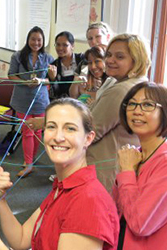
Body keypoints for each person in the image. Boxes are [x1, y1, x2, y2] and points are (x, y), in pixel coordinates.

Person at [0, 98, 119, 250]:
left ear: (88, 138)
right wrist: (0, 199)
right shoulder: (64, 187)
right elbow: (21, 240)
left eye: (70, 129)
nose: (58, 137)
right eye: (51, 127)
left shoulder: (88, 202)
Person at [27, 34, 151, 193]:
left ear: (136, 59)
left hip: (105, 170)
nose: (111, 60)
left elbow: (91, 130)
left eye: (120, 57)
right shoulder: (135, 83)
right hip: (118, 166)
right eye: (109, 55)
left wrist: (48, 125)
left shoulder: (121, 90)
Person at [113, 82, 167, 250]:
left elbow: (139, 224)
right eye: (132, 104)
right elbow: (117, 209)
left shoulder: (164, 162)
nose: (137, 111)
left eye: (147, 105)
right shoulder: (135, 154)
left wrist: (127, 171)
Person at [8, 26, 54, 177]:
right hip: (22, 99)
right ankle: (29, 164)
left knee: (38, 131)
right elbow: (11, 75)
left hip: (40, 100)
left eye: (39, 40)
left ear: (43, 41)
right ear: (28, 40)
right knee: (27, 131)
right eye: (33, 39)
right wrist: (25, 82)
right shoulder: (17, 56)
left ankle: (31, 159)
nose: (36, 42)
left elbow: (52, 80)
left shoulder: (48, 58)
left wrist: (41, 80)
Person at [47, 31, 85, 99]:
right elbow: (55, 94)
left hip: (82, 101)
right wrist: (53, 79)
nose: (60, 48)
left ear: (72, 46)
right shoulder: (54, 65)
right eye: (58, 45)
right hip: (63, 104)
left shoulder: (82, 59)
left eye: (65, 45)